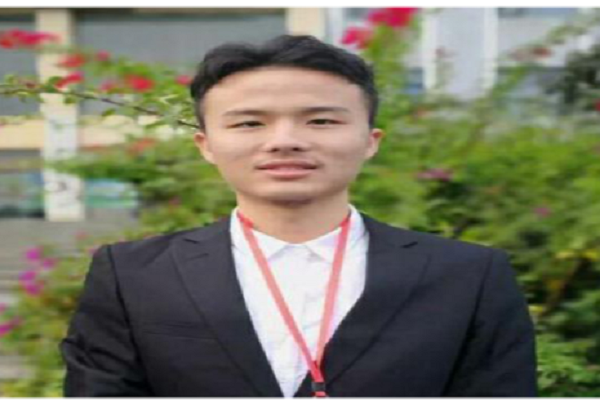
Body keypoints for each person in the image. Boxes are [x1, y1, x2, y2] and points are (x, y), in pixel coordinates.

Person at [60, 34, 538, 397]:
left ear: (370, 141)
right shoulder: (133, 275)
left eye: (321, 121)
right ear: (205, 145)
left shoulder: (468, 275)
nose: (285, 141)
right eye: (250, 122)